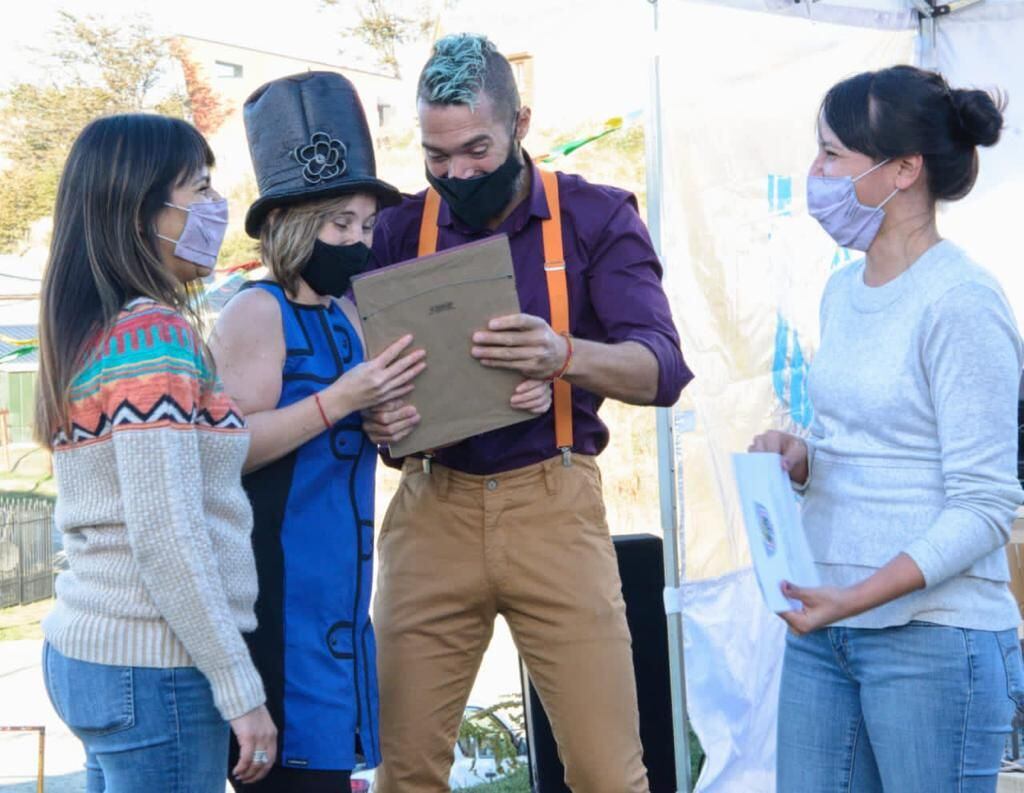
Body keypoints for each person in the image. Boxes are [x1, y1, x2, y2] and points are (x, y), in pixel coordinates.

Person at [363, 34, 693, 793]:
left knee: (609, 774)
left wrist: (563, 354)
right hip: (429, 509)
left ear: (521, 124)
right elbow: (370, 385)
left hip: (555, 503)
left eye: (476, 148)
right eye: (437, 155)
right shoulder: (394, 231)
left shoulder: (595, 216)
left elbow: (662, 366)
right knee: (404, 774)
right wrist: (379, 421)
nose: (458, 172)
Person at [750, 65, 1024, 792]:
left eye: (833, 154)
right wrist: (801, 456)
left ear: (903, 170)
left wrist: (860, 593)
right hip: (826, 627)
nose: (815, 172)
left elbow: (986, 504)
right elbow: (859, 441)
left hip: (933, 640)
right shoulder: (843, 290)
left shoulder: (962, 300)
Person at [36, 114, 276, 792]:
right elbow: (166, 530)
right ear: (144, 211)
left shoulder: (94, 331)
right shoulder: (153, 335)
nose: (215, 208)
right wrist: (240, 689)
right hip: (155, 665)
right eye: (199, 189)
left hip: (95, 654)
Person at [210, 71, 433, 792]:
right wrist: (339, 401)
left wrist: (385, 423)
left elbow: (361, 428)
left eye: (366, 226)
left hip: (342, 606)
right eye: (340, 224)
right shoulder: (257, 311)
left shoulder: (347, 311)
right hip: (279, 603)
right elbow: (227, 449)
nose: (357, 241)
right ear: (293, 224)